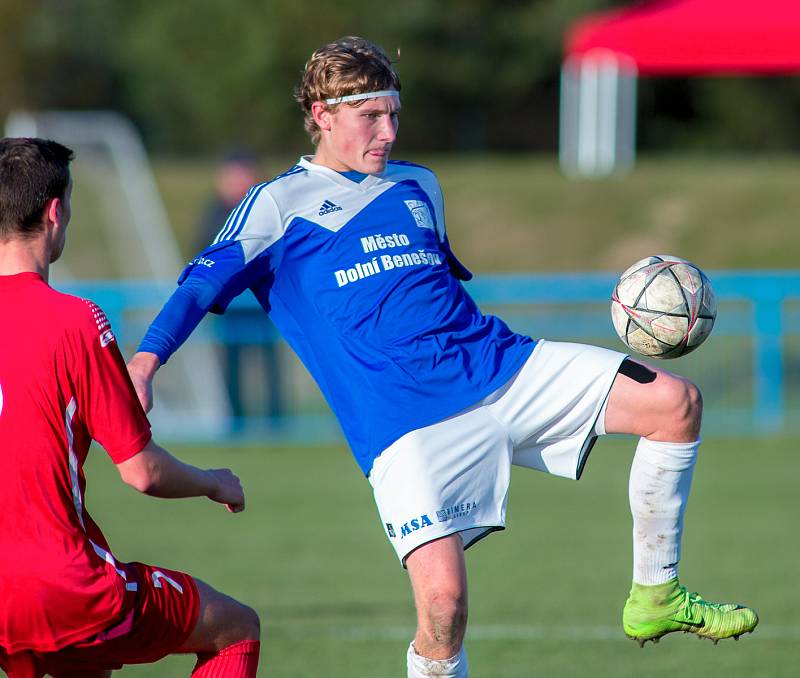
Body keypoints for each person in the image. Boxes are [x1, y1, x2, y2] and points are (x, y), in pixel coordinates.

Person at [127, 37, 757, 677]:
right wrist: (146, 363)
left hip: (500, 366)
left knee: (674, 403)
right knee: (444, 606)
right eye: (370, 116)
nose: (389, 131)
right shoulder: (276, 204)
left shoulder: (418, 185)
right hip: (404, 422)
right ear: (321, 115)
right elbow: (199, 288)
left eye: (394, 113)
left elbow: (433, 288)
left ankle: (657, 593)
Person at [0, 137, 260, 678]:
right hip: (62, 585)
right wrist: (214, 481)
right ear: (56, 211)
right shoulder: (74, 320)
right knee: (236, 630)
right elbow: (142, 472)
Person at [196, 149, 283, 428]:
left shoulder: (266, 210)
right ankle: (236, 422)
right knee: (232, 367)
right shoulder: (215, 213)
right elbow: (203, 253)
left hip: (263, 303)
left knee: (269, 365)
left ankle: (276, 422)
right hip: (230, 307)